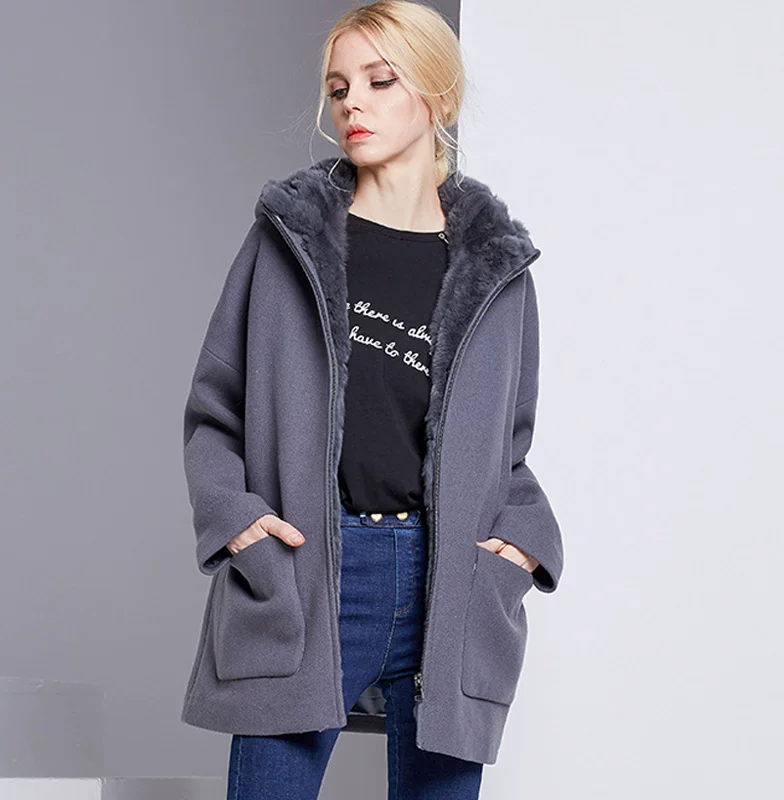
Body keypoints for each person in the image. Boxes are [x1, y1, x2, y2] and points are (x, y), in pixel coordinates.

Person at [180, 2, 564, 798]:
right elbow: (215, 409)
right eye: (338, 87)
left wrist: (523, 545)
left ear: (439, 96)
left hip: (447, 584)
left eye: (380, 81)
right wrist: (238, 523)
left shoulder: (498, 272)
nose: (352, 102)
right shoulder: (287, 242)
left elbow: (511, 450)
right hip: (309, 568)